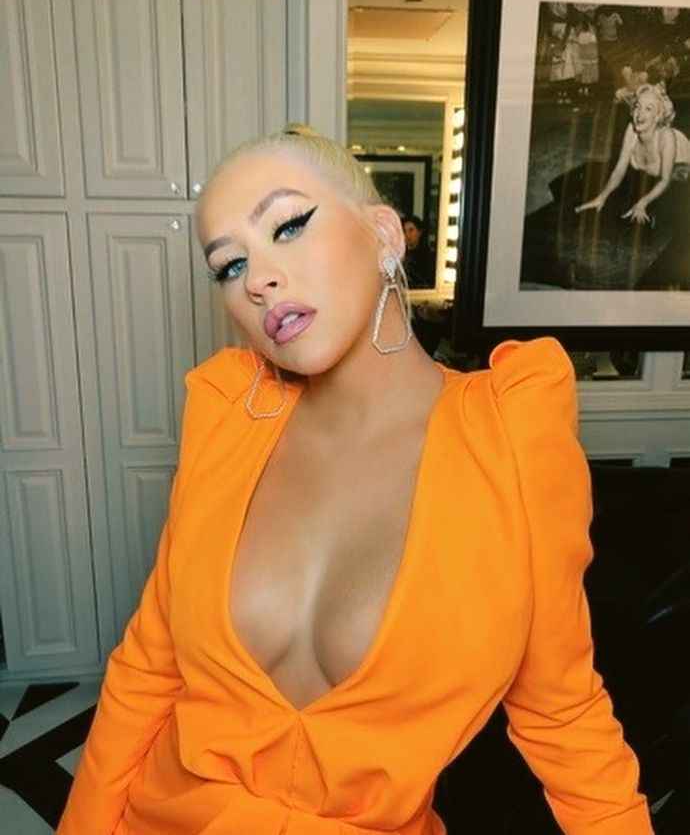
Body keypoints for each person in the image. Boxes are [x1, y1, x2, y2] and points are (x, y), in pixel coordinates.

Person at [57, 124, 653, 834]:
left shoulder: (511, 437)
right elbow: (146, 669)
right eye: (229, 265)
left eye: (288, 226)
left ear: (383, 235)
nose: (257, 280)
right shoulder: (228, 418)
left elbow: (563, 713)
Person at [576, 83, 690, 225]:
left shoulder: (666, 137)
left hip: (682, 169)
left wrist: (642, 203)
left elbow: (665, 180)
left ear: (657, 116)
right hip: (650, 175)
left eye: (648, 109)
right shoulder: (631, 130)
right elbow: (619, 169)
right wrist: (602, 197)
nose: (639, 114)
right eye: (637, 106)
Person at [401, 213, 436, 289]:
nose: (407, 235)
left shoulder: (428, 256)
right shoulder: (400, 254)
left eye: (411, 230)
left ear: (419, 232)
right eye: (404, 231)